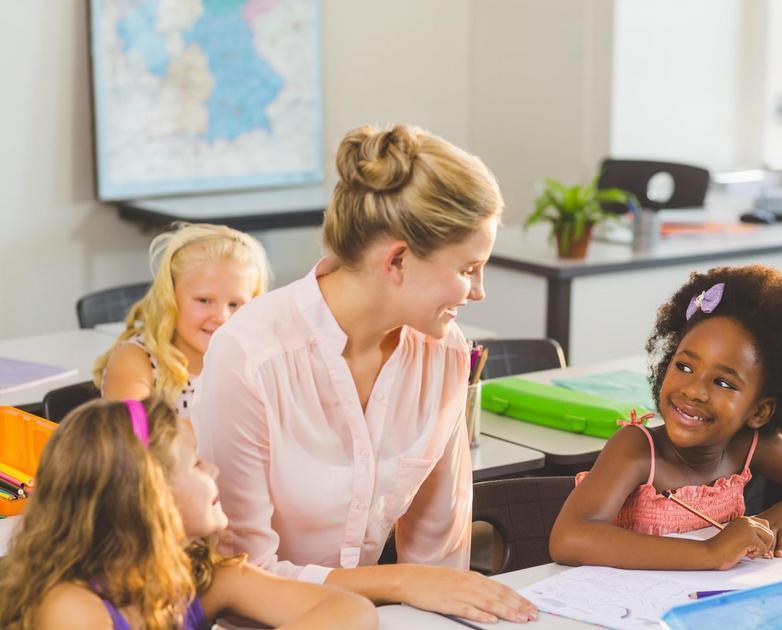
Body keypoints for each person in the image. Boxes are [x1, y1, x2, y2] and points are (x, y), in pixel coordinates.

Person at [193, 124, 538, 625]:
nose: (479, 291)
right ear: (397, 259)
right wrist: (401, 581)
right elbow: (240, 574)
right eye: (467, 269)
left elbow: (439, 550)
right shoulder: (249, 357)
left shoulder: (443, 351)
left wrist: (429, 601)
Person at [550, 265, 782, 571]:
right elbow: (569, 538)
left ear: (759, 411)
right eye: (684, 367)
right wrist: (710, 551)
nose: (693, 391)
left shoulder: (746, 446)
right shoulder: (637, 450)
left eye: (723, 383)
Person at [0, 398, 378, 629]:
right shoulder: (71, 607)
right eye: (196, 464)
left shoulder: (201, 577)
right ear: (150, 497)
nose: (213, 472)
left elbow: (351, 611)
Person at [93, 222, 270, 416]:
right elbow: (133, 439)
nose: (222, 317)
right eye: (204, 300)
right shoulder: (135, 361)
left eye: (235, 305)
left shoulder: (253, 364)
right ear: (170, 298)